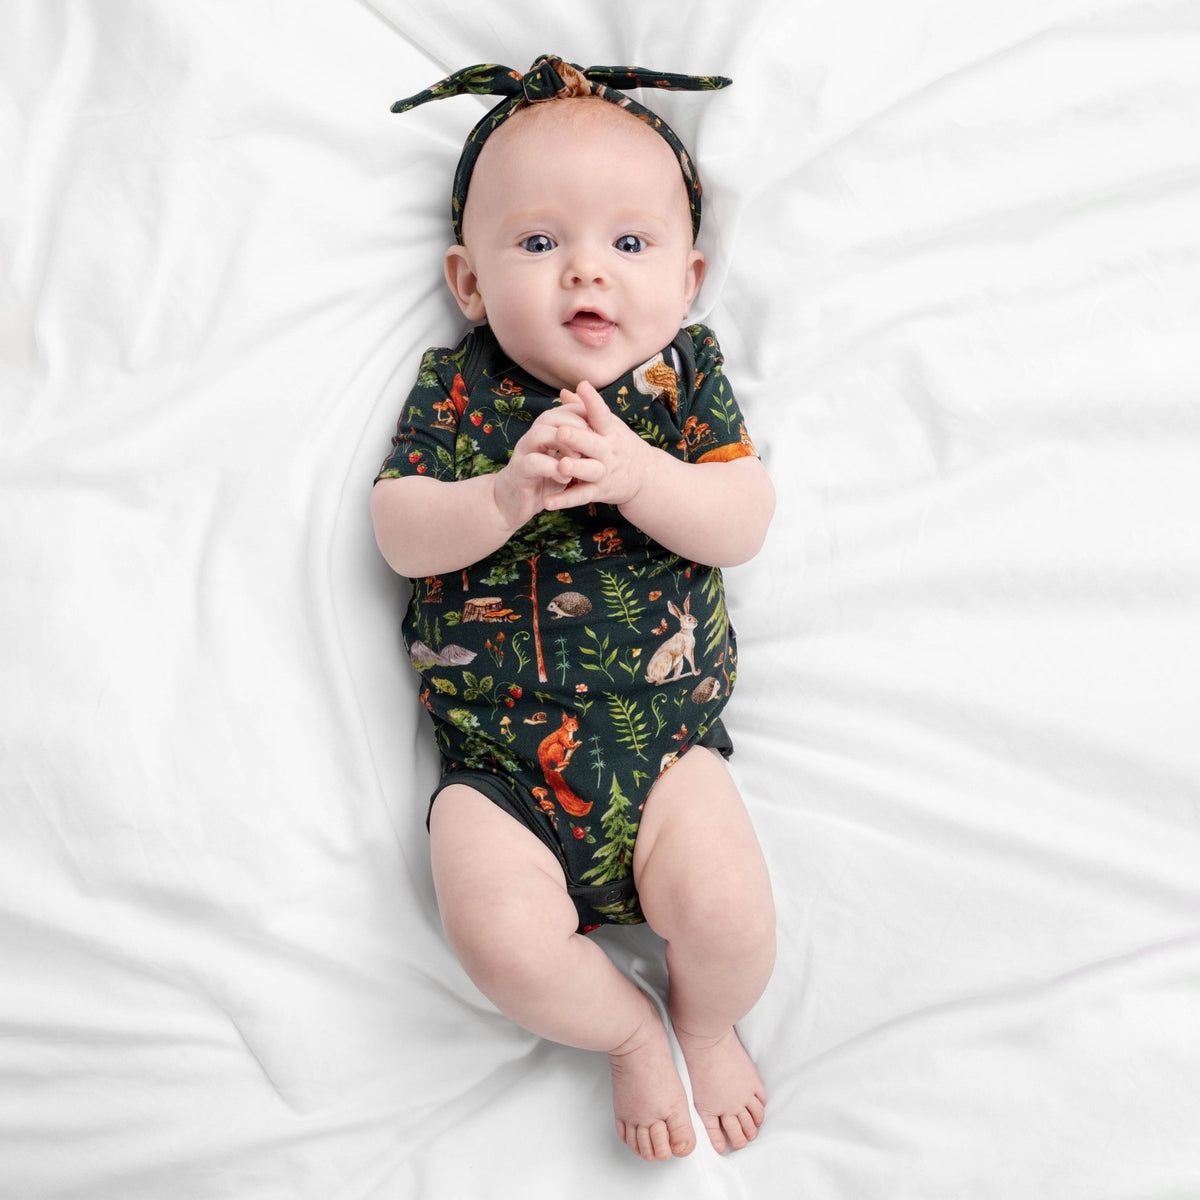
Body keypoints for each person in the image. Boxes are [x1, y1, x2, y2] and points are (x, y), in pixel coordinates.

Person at [371, 55, 776, 1162]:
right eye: (540, 242)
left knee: (734, 920)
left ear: (689, 278)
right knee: (497, 938)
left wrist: (642, 477)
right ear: (469, 281)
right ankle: (629, 1030)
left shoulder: (681, 383)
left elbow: (741, 518)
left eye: (629, 245)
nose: (586, 274)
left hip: (667, 751)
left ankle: (702, 1013)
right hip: (498, 771)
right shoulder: (461, 391)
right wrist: (501, 495)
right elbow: (398, 526)